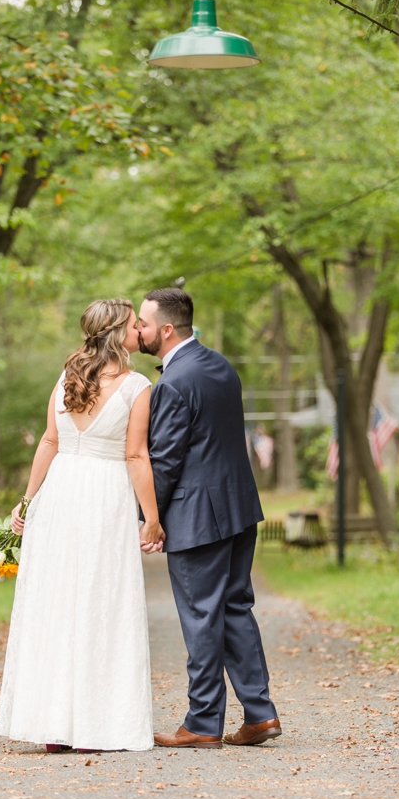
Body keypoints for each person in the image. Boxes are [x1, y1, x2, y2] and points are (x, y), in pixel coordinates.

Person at [0, 298, 165, 753]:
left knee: (56, 603)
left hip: (61, 492)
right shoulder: (136, 386)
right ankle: (94, 726)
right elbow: (135, 456)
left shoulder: (66, 377)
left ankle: (54, 726)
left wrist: (28, 501)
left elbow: (50, 441)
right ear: (117, 333)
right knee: (100, 602)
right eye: (133, 325)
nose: (139, 331)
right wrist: (152, 518)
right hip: (104, 496)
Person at [137, 287, 281, 749]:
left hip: (198, 517)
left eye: (141, 323)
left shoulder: (174, 383)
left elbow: (166, 460)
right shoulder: (220, 366)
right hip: (239, 509)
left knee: (202, 616)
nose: (136, 330)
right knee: (235, 608)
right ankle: (260, 715)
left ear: (165, 329)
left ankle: (202, 722)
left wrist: (149, 518)